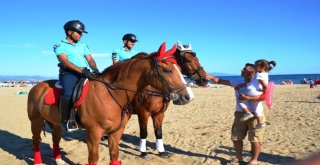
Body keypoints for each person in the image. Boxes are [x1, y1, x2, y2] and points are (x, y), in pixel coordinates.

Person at [206, 63, 266, 165]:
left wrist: (248, 98)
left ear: (252, 72)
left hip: (256, 115)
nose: (242, 70)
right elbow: (219, 81)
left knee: (255, 139)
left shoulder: (258, 83)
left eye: (244, 69)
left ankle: (254, 160)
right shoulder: (238, 81)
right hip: (240, 113)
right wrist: (209, 75)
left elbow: (263, 97)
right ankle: (240, 159)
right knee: (236, 138)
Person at [53, 20, 99, 131]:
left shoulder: (83, 46)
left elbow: (90, 59)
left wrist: (95, 69)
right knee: (68, 93)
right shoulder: (60, 45)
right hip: (69, 73)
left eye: (81, 33)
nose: (81, 35)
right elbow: (65, 62)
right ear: (69, 32)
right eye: (79, 32)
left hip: (85, 71)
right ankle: (66, 120)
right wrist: (81, 71)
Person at [236, 60, 276, 131]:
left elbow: (264, 85)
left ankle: (247, 112)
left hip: (252, 91)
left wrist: (265, 90)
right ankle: (260, 122)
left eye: (256, 65)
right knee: (256, 108)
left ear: (262, 67)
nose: (255, 67)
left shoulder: (260, 75)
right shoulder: (264, 74)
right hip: (256, 92)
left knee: (240, 100)